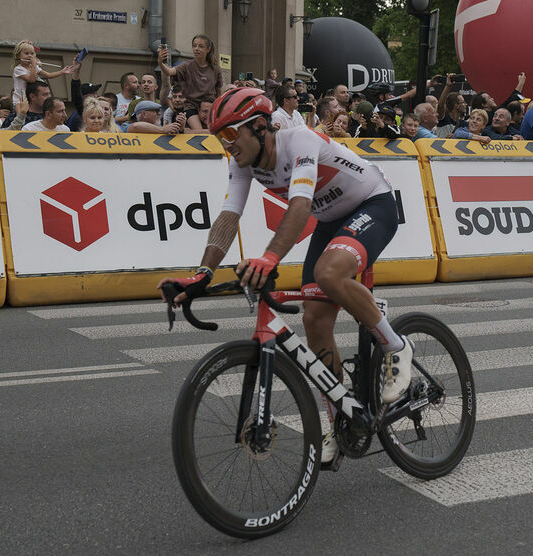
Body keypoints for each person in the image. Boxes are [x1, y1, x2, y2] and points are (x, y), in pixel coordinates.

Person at [159, 88, 415, 467]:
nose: (227, 145)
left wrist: (268, 258)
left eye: (231, 135)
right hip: (332, 220)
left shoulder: (300, 141)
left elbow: (300, 205)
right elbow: (229, 216)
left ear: (259, 127)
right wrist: (202, 274)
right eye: (220, 138)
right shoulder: (244, 163)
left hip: (372, 203)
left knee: (329, 273)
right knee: (314, 320)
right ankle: (340, 421)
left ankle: (396, 346)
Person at [157, 34, 222, 121]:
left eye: (201, 46)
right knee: (197, 129)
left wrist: (220, 109)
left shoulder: (215, 69)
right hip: (191, 107)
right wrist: (161, 63)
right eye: (194, 46)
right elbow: (169, 72)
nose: (196, 48)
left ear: (208, 49)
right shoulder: (186, 65)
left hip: (208, 107)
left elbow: (219, 93)